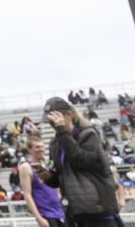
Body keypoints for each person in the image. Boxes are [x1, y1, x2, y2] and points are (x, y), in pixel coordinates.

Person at [40, 97, 119, 227]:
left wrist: (62, 131)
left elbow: (81, 161)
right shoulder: (55, 143)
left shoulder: (88, 134)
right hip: (74, 211)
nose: (52, 123)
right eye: (49, 120)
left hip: (97, 209)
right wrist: (47, 176)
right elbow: (60, 178)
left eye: (55, 118)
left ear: (69, 115)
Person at [19, 133, 65, 227]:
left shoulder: (49, 164)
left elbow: (56, 185)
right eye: (37, 147)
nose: (41, 149)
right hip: (45, 213)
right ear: (29, 149)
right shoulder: (26, 167)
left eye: (42, 147)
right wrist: (39, 218)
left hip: (59, 211)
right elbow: (27, 194)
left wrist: (59, 197)